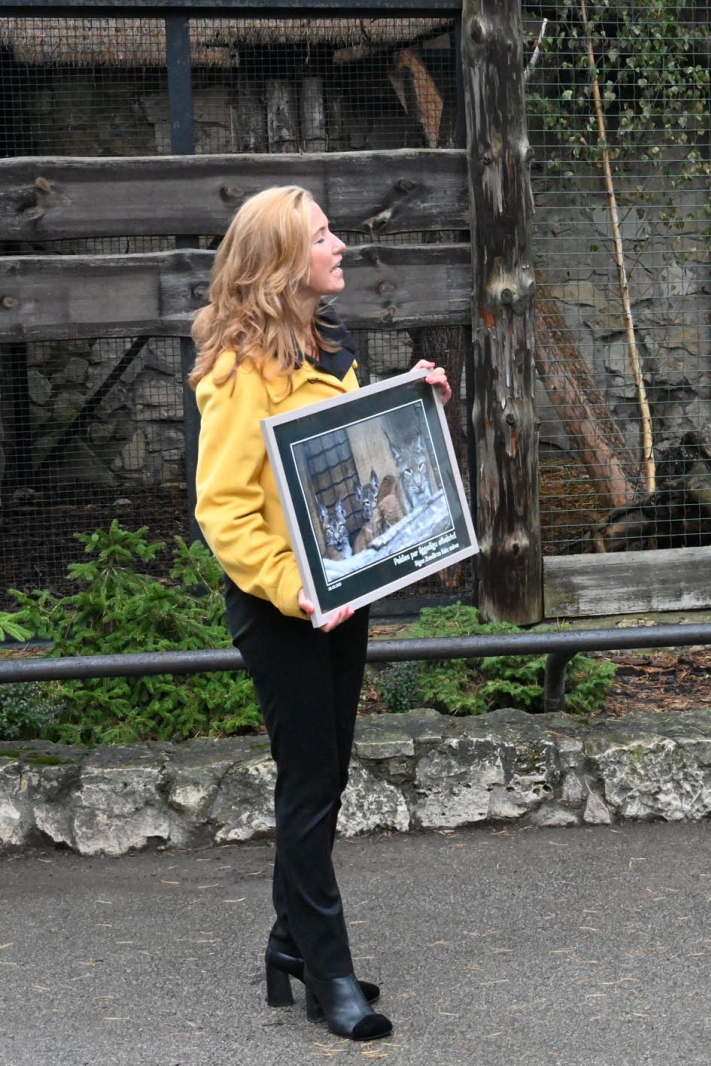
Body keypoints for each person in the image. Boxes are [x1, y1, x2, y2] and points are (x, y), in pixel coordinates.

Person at [189, 186, 451, 1040]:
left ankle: (288, 944)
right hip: (283, 607)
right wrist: (288, 586)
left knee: (326, 776)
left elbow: (351, 448)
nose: (340, 246)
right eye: (323, 236)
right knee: (308, 785)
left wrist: (413, 402)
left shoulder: (327, 343)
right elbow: (224, 509)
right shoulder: (238, 372)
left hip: (341, 593)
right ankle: (328, 970)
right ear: (281, 262)